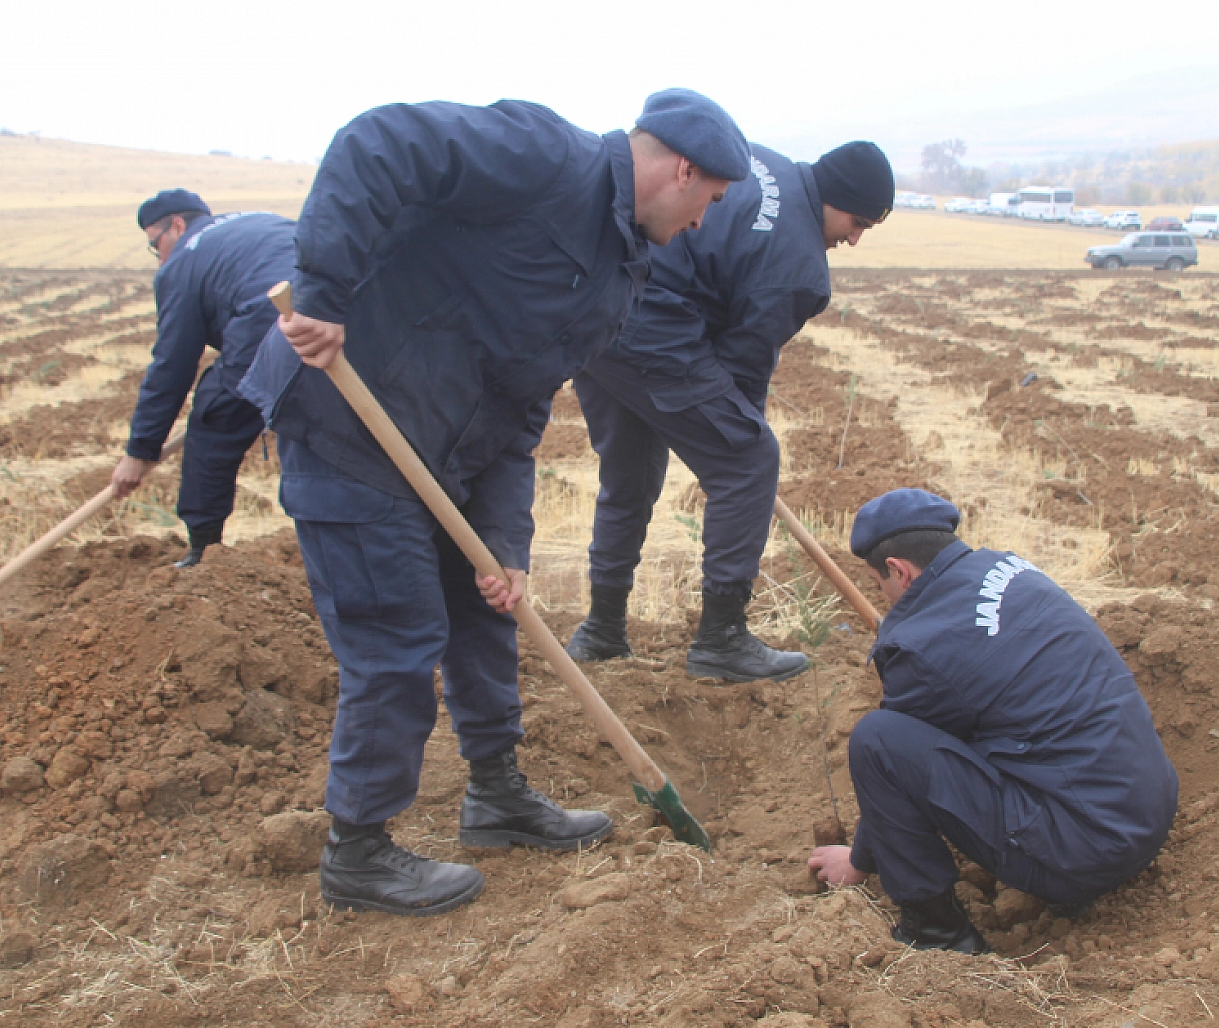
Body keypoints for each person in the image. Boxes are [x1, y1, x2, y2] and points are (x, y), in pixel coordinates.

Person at [238, 90, 749, 918]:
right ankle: (358, 850)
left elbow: (522, 408)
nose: (702, 224)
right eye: (710, 202)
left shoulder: (620, 274)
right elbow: (380, 142)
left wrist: (506, 541)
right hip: (351, 414)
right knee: (397, 631)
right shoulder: (546, 156)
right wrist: (325, 292)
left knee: (486, 610)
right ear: (682, 169)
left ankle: (498, 797)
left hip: (460, 445)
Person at [565, 140, 895, 682]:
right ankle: (721, 639)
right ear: (834, 197)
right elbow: (742, 371)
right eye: (856, 222)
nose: (854, 239)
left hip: (599, 306)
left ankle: (602, 630)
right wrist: (744, 457)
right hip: (653, 324)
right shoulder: (799, 264)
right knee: (749, 460)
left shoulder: (773, 163)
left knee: (629, 476)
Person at [808, 489, 1178, 953]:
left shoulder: (921, 650)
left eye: (877, 580)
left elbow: (898, 753)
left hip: (1085, 854)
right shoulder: (1011, 568)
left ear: (899, 570)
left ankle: (937, 932)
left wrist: (860, 861)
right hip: (1147, 811)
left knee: (876, 740)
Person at [112, 191, 295, 568]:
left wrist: (140, 451)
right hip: (344, 303)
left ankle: (203, 552)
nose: (159, 257)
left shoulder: (182, 263)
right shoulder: (255, 220)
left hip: (274, 317)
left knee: (216, 416)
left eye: (155, 245)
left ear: (176, 225)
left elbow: (171, 365)